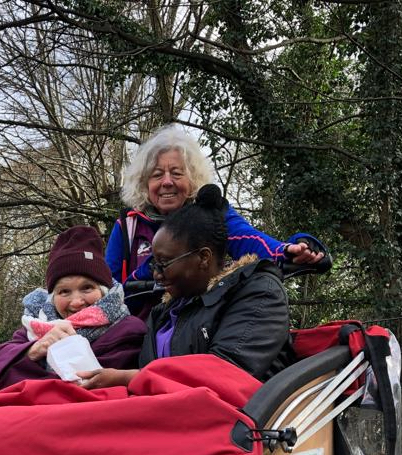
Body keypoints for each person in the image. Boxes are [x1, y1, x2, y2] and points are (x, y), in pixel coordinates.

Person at [80, 184, 291, 389]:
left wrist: (129, 378)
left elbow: (226, 375)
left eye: (164, 264)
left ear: (203, 258)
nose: (156, 274)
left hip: (242, 421)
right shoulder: (162, 313)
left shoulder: (260, 293)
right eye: (154, 264)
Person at [107, 124, 321, 313]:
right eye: (157, 175)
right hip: (140, 336)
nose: (167, 182)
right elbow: (109, 290)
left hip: (200, 324)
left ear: (193, 179)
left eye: (177, 173)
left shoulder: (212, 214)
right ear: (144, 183)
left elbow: (247, 239)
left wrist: (285, 251)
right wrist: (154, 269)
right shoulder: (128, 226)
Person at [0, 225, 147, 392]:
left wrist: (4, 378)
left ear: (104, 291)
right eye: (64, 291)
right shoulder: (38, 325)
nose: (76, 302)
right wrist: (33, 350)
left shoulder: (127, 329)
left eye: (87, 288)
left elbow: (78, 382)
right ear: (52, 298)